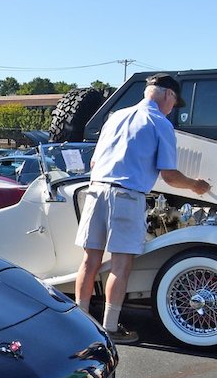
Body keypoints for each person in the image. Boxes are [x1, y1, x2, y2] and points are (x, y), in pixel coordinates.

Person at [74, 73, 211, 344]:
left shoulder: (116, 116)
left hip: (96, 190)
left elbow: (93, 163)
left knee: (90, 261)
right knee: (121, 265)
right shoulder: (160, 123)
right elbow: (170, 177)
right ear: (168, 95)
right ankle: (110, 327)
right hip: (126, 196)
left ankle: (79, 323)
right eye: (175, 103)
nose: (173, 108)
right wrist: (196, 185)